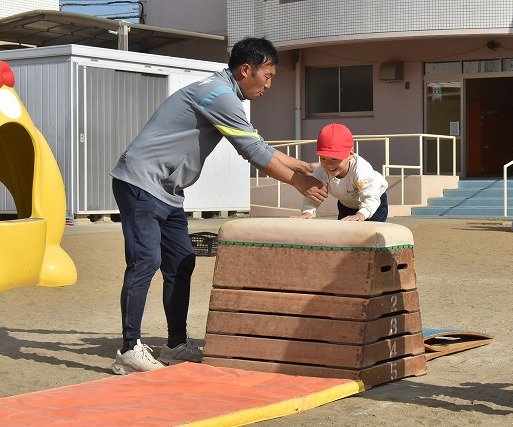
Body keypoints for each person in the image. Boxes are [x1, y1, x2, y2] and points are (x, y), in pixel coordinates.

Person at [109, 37, 327, 375]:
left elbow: (257, 143)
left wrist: (301, 166)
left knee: (181, 262)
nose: (268, 85)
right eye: (267, 76)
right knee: (145, 260)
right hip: (140, 182)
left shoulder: (223, 92)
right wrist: (299, 182)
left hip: (167, 190)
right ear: (246, 70)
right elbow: (252, 152)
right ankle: (129, 349)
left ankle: (175, 345)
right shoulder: (219, 95)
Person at [292, 123, 388, 222]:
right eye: (323, 158)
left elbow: (371, 196)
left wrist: (361, 214)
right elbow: (314, 194)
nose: (328, 164)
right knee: (344, 228)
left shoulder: (361, 170)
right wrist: (307, 212)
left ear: (350, 154)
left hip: (375, 201)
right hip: (346, 204)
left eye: (334, 159)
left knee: (370, 229)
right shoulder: (321, 172)